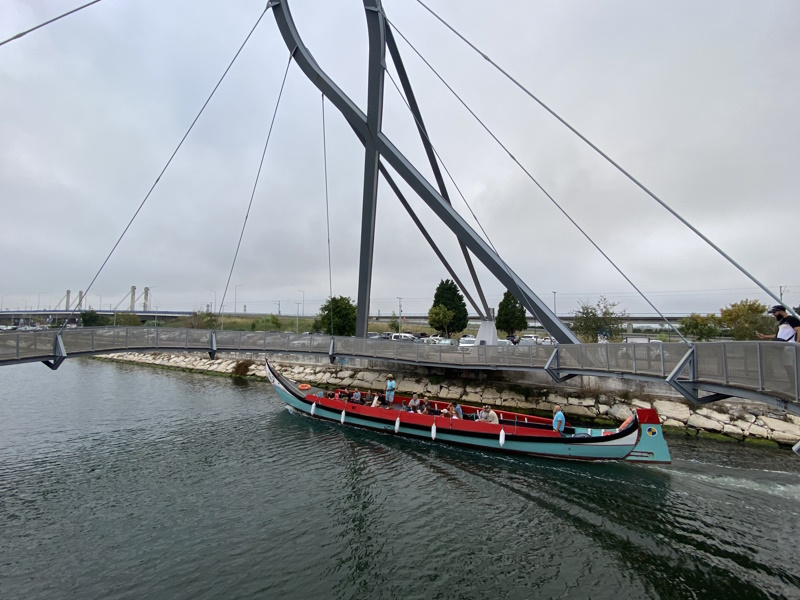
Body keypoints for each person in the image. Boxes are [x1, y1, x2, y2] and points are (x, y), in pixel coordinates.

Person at [757, 305, 800, 385]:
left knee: (788, 365)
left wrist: (797, 343)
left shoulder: (792, 319)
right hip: (782, 345)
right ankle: (793, 384)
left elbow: (798, 330)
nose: (774, 314)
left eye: (774, 312)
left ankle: (795, 385)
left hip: (789, 345)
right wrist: (764, 336)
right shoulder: (782, 322)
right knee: (786, 365)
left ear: (780, 311)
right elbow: (778, 336)